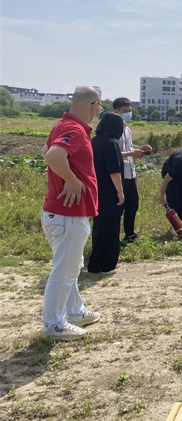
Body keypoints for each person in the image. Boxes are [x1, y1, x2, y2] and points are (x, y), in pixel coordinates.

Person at [40, 86, 103, 340]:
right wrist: (71, 179)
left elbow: (46, 151)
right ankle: (54, 324)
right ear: (94, 105)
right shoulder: (75, 130)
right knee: (64, 270)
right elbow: (53, 155)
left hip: (62, 213)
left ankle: (74, 311)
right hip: (67, 214)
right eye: (100, 106)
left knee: (71, 266)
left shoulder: (62, 125)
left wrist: (66, 176)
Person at [87, 112, 125, 275]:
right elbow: (114, 171)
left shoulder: (94, 141)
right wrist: (120, 192)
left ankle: (95, 263)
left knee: (99, 227)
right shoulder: (111, 144)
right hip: (109, 191)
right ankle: (107, 264)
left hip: (95, 189)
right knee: (110, 228)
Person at [113, 98, 152, 243]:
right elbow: (113, 153)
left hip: (131, 172)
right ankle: (113, 236)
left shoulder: (127, 129)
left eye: (130, 111)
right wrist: (131, 153)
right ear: (116, 111)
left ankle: (129, 234)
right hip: (119, 173)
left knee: (132, 204)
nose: (129, 114)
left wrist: (139, 150)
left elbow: (127, 150)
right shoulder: (113, 130)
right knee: (118, 207)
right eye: (125, 111)